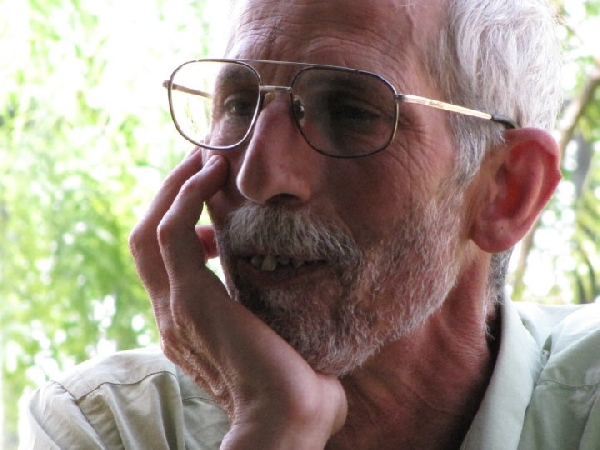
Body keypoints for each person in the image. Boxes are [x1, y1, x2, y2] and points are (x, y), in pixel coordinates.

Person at [21, 0, 600, 449]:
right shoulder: (109, 426)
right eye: (239, 104)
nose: (258, 176)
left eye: (349, 112)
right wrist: (274, 428)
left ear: (506, 193)